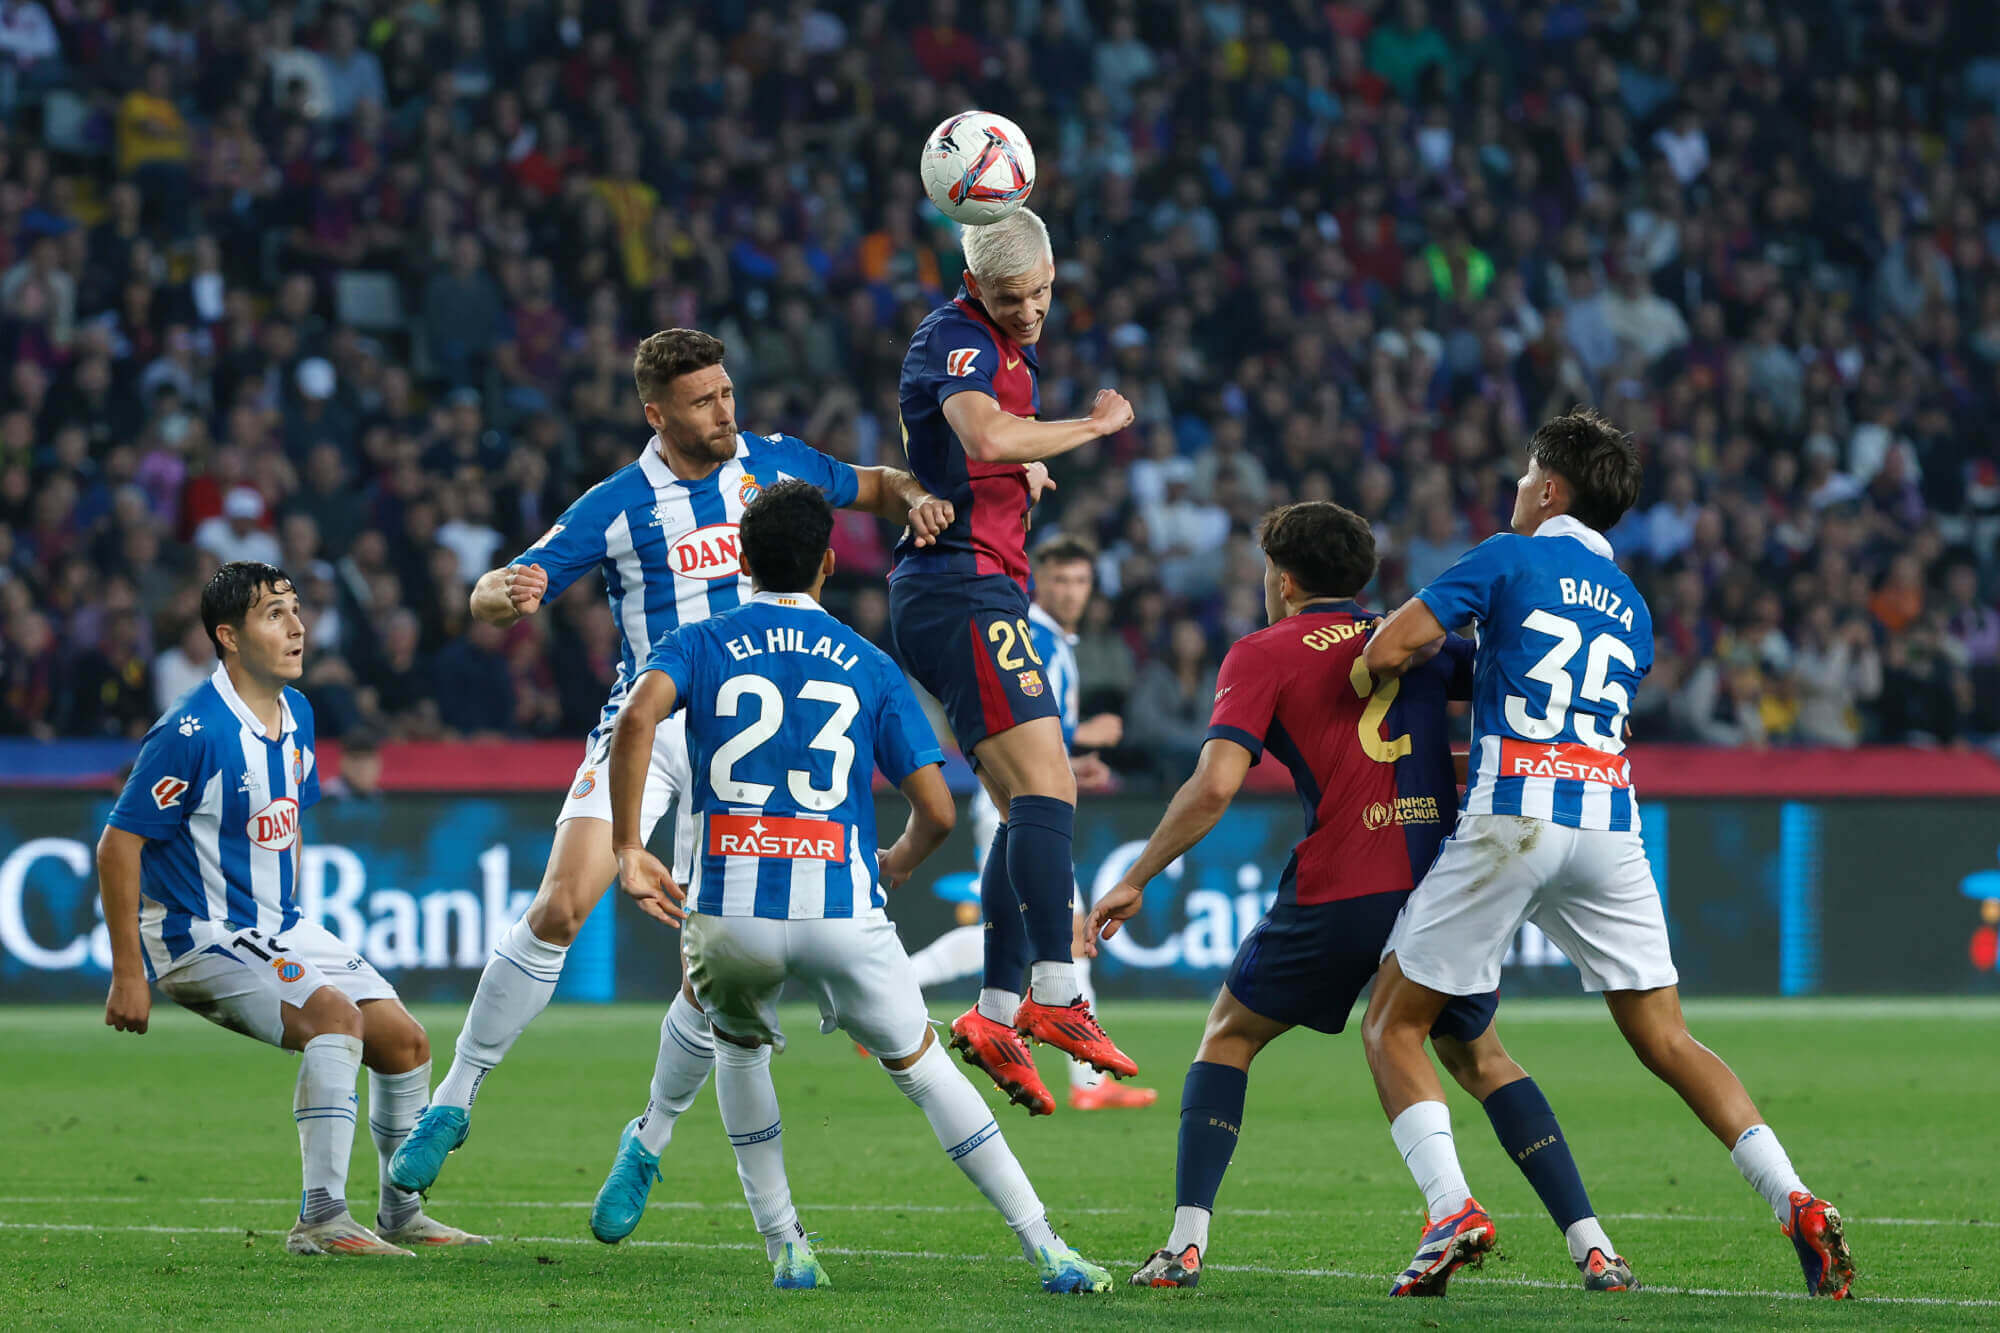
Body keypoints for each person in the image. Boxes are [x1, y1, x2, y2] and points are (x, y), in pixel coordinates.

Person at [389, 329, 955, 1238]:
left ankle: (647, 1139)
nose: (726, 411)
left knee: (715, 975)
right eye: (704, 400)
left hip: (751, 747)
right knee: (561, 906)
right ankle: (454, 1098)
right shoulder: (617, 506)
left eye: (728, 392)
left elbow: (880, 484)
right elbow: (503, 585)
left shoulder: (771, 465)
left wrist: (921, 498)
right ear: (658, 413)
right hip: (648, 727)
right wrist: (499, 593)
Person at [1358, 410, 1854, 1299]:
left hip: (1514, 815)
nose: (1514, 489)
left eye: (1523, 475)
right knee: (1667, 1036)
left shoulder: (1506, 556)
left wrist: (1401, 656)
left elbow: (1391, 645)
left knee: (1392, 1022)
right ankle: (1797, 1200)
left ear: (1550, 487)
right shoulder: (1632, 604)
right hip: (1611, 824)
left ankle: (1449, 1208)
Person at [1084, 503, 1631, 1295]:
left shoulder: (1261, 652)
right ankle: (1595, 1248)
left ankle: (1185, 1244)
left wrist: (1138, 873)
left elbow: (1214, 785)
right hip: (1442, 883)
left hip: (1342, 883)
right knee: (1479, 1054)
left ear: (1285, 579)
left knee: (1229, 1034)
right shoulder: (1424, 637)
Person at [606, 481, 1112, 1293]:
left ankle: (786, 1247)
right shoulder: (870, 663)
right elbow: (939, 809)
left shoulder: (700, 641)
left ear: (740, 559)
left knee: (736, 1047)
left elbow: (636, 719)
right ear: (829, 564)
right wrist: (903, 857)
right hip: (842, 905)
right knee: (924, 1069)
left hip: (730, 905)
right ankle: (1045, 1243)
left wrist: (630, 845)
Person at [96, 561, 484, 1256]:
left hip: (280, 922)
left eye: (296, 609)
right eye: (274, 613)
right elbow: (118, 845)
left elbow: (287, 824)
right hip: (200, 931)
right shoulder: (191, 730)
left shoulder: (299, 713)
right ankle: (321, 1217)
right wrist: (131, 971)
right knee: (334, 1018)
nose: (297, 625)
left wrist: (293, 921)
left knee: (406, 1041)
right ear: (230, 636)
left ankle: (401, 1212)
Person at [888, 206, 1140, 1111]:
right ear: (975, 286)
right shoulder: (956, 337)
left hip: (973, 583)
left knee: (1017, 803)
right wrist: (1089, 426)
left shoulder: (1000, 337)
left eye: (1040, 292)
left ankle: (994, 1011)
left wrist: (1017, 475)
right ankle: (1059, 994)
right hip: (961, 586)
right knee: (1050, 791)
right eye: (1011, 296)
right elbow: (985, 433)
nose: (1030, 310)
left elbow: (983, 454)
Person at [906, 535, 1154, 1111]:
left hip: (1030, 790)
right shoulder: (1029, 633)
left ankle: (1071, 1069)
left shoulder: (1056, 641)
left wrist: (1072, 759)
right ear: (1038, 578)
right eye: (1061, 580)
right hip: (1018, 796)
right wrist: (1081, 737)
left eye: (1081, 581)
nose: (1071, 591)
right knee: (1056, 927)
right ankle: (896, 988)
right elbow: (1012, 717)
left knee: (1052, 928)